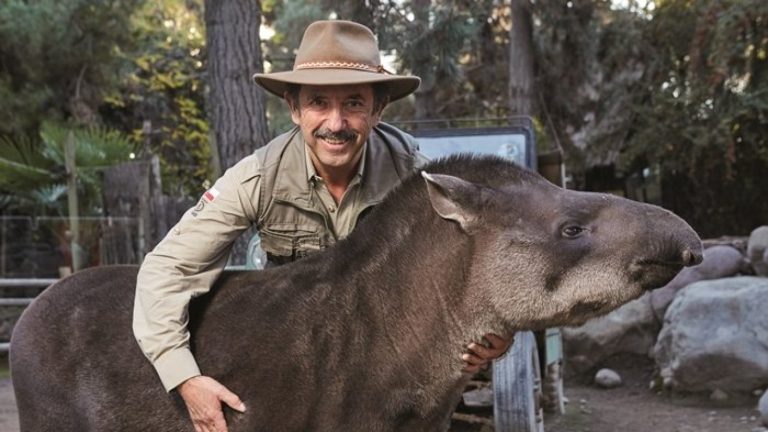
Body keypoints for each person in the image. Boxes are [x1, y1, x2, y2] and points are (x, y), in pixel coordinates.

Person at [133, 20, 512, 432]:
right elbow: (167, 270)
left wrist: (498, 336)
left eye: (353, 103)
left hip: (390, 370)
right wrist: (184, 378)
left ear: (377, 109)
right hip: (294, 361)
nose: (335, 123)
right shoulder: (258, 177)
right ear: (294, 109)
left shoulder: (417, 182)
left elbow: (485, 264)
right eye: (318, 102)